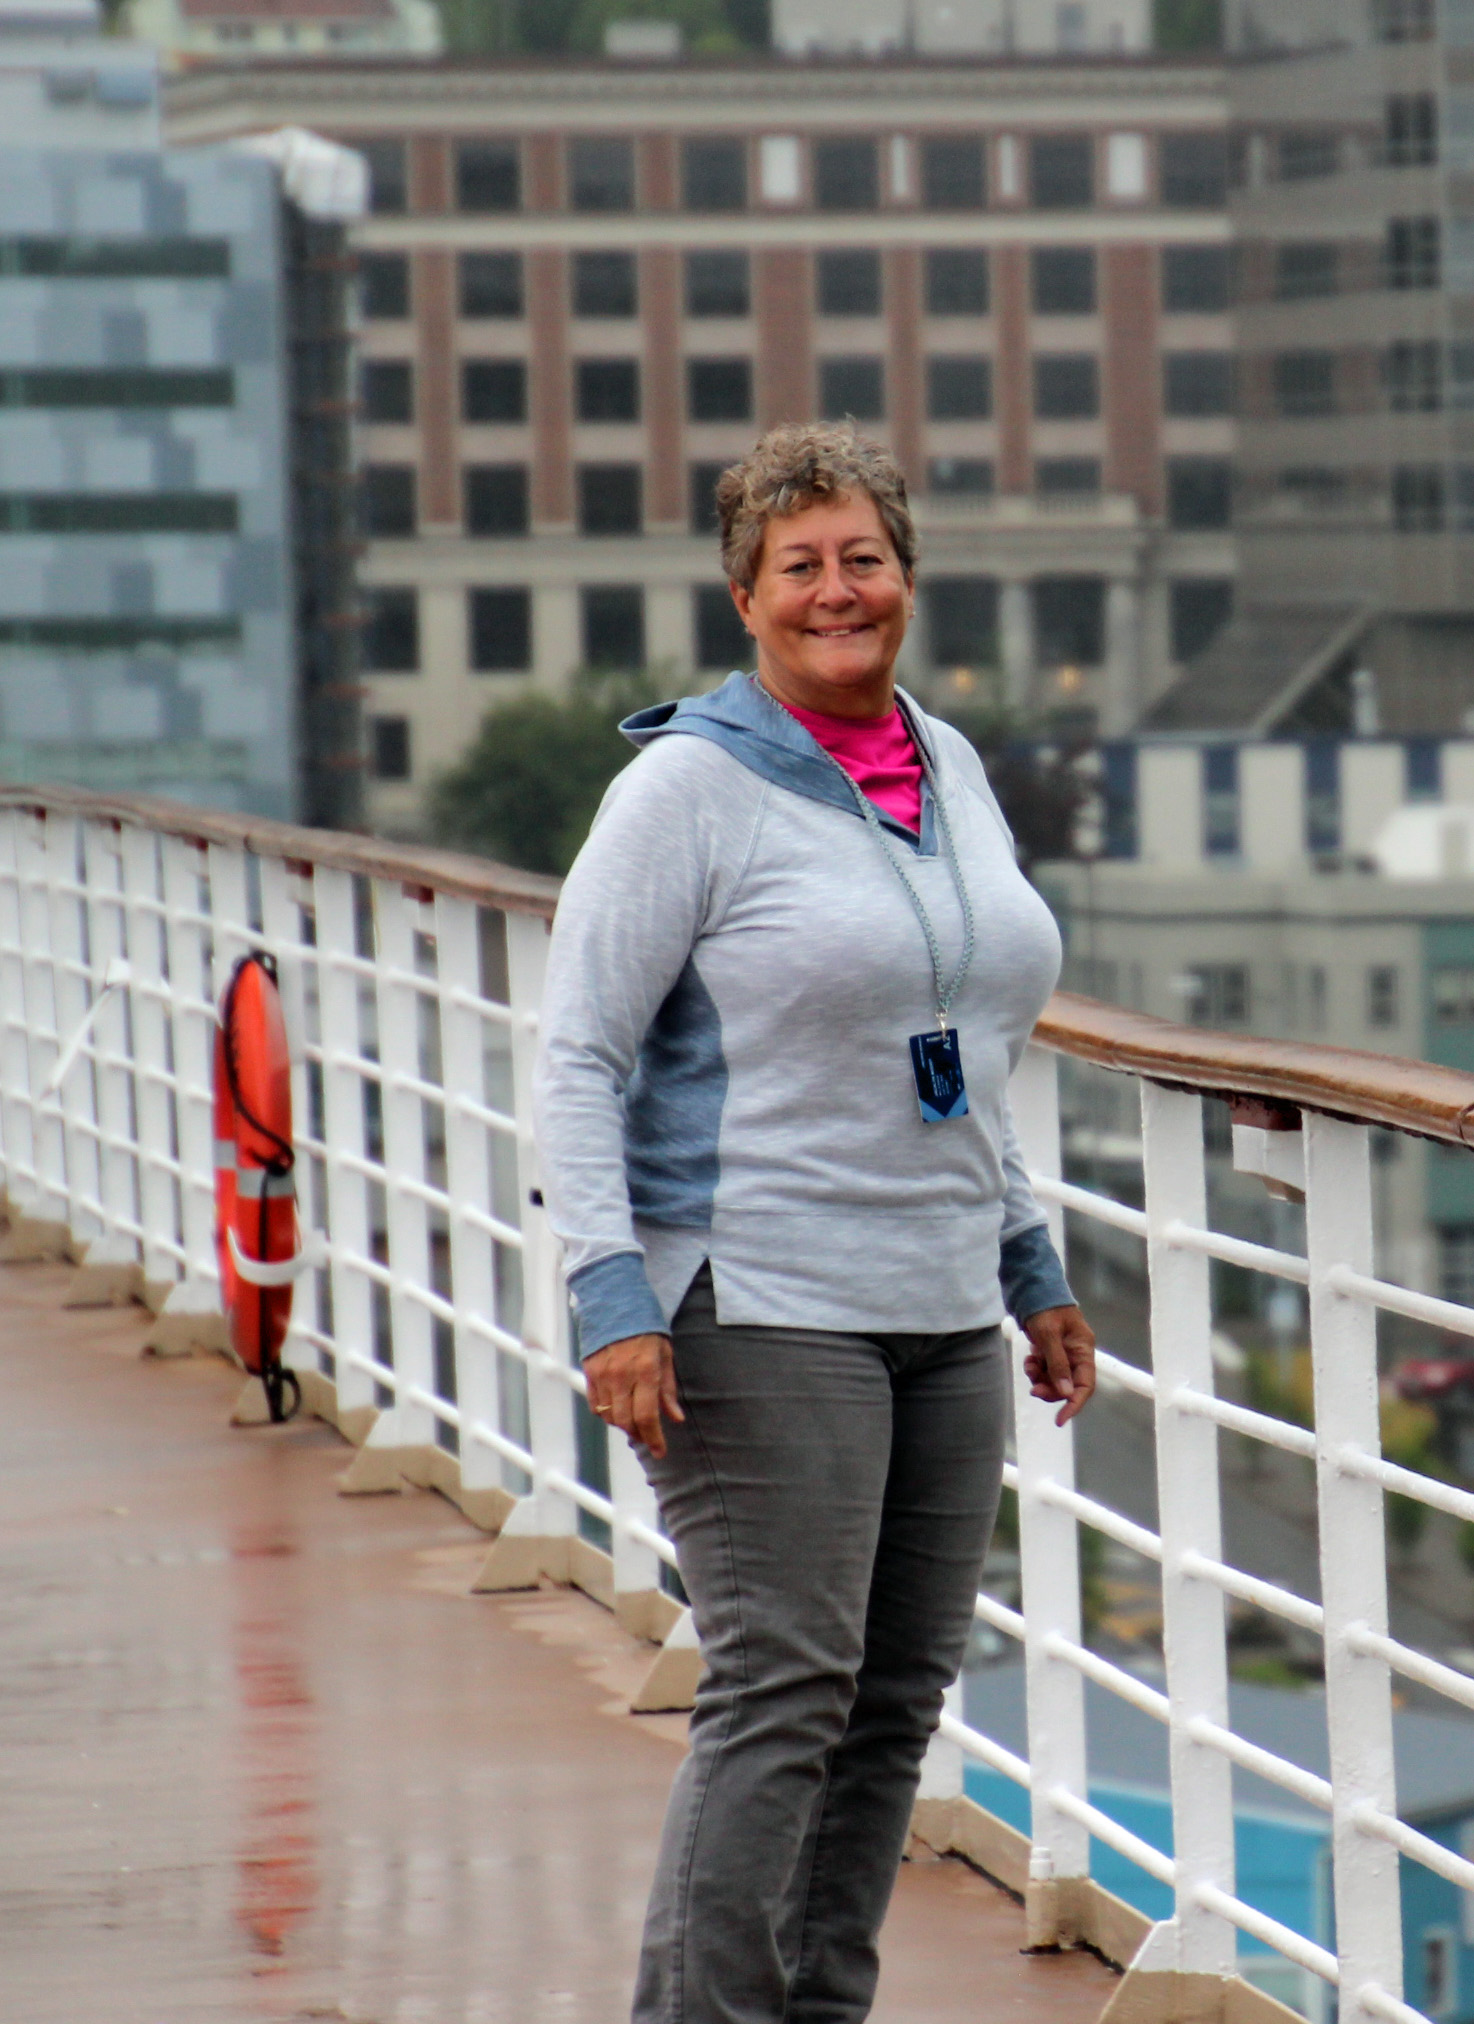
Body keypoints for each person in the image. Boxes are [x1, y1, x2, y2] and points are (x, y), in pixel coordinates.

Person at [533, 420, 1097, 2024]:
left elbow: (967, 1045)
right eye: (799, 566)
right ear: (746, 598)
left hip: (940, 1302)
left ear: (905, 577)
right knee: (783, 1691)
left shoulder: (948, 764)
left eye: (863, 558)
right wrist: (612, 1296)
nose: (836, 590)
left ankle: (817, 2008)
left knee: (894, 1700)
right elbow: (577, 1057)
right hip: (756, 1298)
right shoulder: (685, 791)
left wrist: (1029, 1263)